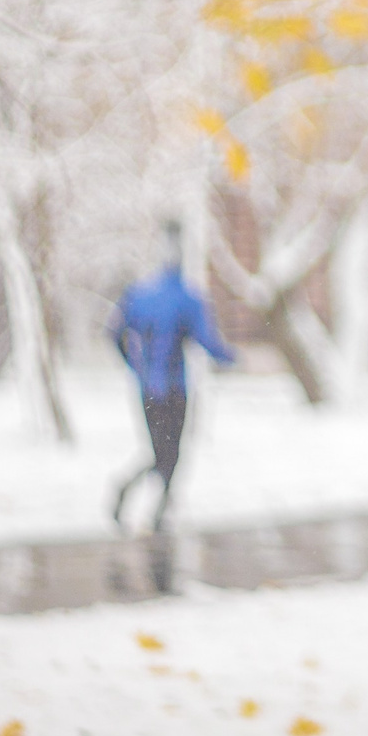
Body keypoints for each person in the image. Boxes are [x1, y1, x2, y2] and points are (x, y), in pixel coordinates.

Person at [109, 220, 234, 534]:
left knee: (158, 451)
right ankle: (153, 508)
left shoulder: (139, 294)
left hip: (147, 388)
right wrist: (231, 357)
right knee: (171, 454)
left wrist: (135, 365)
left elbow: (114, 333)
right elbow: (207, 341)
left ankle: (151, 504)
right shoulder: (188, 298)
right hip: (176, 388)